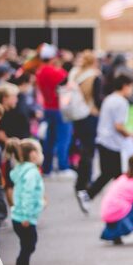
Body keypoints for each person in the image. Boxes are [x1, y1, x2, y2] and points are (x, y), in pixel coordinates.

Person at [77, 74, 133, 213]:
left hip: (103, 139)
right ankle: (112, 200)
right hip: (112, 142)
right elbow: (118, 125)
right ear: (125, 86)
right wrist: (132, 135)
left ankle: (91, 195)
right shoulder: (121, 102)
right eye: (131, 87)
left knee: (110, 173)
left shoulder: (109, 99)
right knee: (116, 174)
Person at [10, 138, 45, 265]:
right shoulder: (31, 172)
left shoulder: (21, 169)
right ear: (32, 154)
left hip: (18, 215)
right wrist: (26, 216)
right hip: (24, 217)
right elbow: (28, 194)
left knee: (27, 245)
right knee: (28, 245)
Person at [35, 43, 74, 177]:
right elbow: (69, 83)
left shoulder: (40, 71)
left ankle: (47, 168)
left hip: (48, 108)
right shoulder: (55, 72)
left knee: (49, 140)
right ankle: (63, 167)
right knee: (64, 138)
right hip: (59, 109)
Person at [67, 50, 103, 194]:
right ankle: (85, 181)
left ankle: (80, 181)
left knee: (82, 149)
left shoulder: (75, 74)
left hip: (77, 115)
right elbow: (97, 99)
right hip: (90, 114)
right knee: (89, 150)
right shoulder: (94, 76)